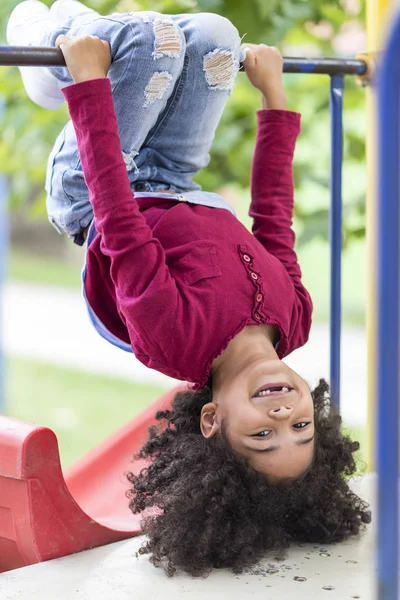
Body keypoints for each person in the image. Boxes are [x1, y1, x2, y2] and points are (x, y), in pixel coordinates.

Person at [7, 0, 371, 577]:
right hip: (177, 176)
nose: (281, 413)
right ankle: (85, 39)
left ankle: (45, 43)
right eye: (300, 426)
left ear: (212, 421)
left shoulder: (175, 341)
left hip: (98, 181)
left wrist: (89, 88)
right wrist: (275, 101)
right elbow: (274, 218)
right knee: (215, 37)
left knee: (151, 40)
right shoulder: (294, 320)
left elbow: (119, 221)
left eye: (261, 435)